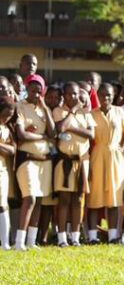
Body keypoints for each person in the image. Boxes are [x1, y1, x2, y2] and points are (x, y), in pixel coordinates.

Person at [13, 75, 55, 250]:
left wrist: (45, 108)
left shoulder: (44, 110)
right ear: (26, 90)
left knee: (38, 200)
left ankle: (31, 240)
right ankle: (19, 241)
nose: (36, 95)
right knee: (29, 197)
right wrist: (41, 136)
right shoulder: (20, 107)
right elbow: (22, 134)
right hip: (27, 159)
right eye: (32, 91)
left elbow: (53, 133)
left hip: (44, 161)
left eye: (39, 92)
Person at [87, 83, 124, 244]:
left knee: (113, 198)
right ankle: (92, 236)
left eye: (109, 95)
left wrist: (123, 145)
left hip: (114, 156)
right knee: (94, 198)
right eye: (103, 95)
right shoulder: (91, 114)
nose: (106, 98)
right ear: (97, 96)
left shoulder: (119, 112)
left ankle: (113, 236)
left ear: (113, 97)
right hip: (98, 155)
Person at [53, 81, 96, 247]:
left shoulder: (86, 113)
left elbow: (91, 134)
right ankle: (62, 237)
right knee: (64, 199)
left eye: (76, 94)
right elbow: (60, 128)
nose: (73, 97)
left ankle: (75, 236)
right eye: (69, 94)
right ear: (64, 95)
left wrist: (72, 129)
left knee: (78, 199)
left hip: (82, 160)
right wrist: (71, 113)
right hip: (65, 160)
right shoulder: (59, 111)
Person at [0, 102, 15, 249]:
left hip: (2, 169)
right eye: (5, 115)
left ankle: (5, 243)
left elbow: (12, 150)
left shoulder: (6, 129)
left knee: (3, 204)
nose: (7, 118)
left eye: (10, 116)